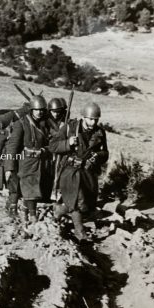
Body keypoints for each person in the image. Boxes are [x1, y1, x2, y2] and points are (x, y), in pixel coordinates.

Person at [47, 102, 109, 241]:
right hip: (70, 171)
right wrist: (67, 143)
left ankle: (60, 210)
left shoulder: (100, 132)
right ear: (84, 117)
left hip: (88, 172)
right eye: (90, 119)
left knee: (86, 203)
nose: (93, 122)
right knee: (77, 200)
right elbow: (52, 146)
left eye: (96, 119)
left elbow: (105, 153)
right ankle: (79, 231)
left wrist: (98, 156)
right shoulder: (70, 128)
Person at [5, 95, 52, 224]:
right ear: (31, 110)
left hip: (40, 161)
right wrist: (9, 167)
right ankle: (31, 215)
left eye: (42, 110)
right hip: (24, 161)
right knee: (26, 187)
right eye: (36, 110)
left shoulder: (45, 124)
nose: (39, 112)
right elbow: (12, 146)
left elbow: (51, 142)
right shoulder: (21, 123)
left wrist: (45, 150)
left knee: (34, 187)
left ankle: (28, 212)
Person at [0, 102, 31, 216]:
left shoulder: (25, 123)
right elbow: (1, 141)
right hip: (12, 156)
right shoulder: (14, 125)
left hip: (22, 156)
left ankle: (16, 204)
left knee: (18, 182)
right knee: (13, 181)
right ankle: (12, 206)